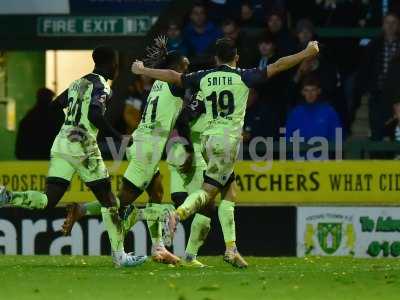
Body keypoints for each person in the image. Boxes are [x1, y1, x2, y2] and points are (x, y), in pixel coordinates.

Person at [131, 37, 320, 268]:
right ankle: (177, 215)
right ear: (236, 57)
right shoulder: (244, 75)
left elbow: (174, 77)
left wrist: (143, 70)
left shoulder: (204, 76)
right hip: (227, 142)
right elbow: (278, 64)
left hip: (209, 140)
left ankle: (231, 249)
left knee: (230, 191)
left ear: (215, 58)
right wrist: (306, 53)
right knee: (209, 191)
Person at [0, 46, 146, 267]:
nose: (117, 69)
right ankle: (120, 256)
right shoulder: (102, 86)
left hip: (62, 143)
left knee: (49, 199)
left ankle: (9, 197)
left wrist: (70, 126)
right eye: (116, 65)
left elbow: (54, 105)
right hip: (83, 147)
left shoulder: (78, 83)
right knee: (109, 202)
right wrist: (118, 137)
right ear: (113, 66)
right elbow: (95, 113)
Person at [61, 37, 191, 265]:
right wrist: (145, 69)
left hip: (142, 142)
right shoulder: (173, 82)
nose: (187, 71)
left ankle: (159, 247)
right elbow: (175, 82)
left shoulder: (158, 85)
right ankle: (92, 223)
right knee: (118, 204)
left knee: (157, 192)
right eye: (185, 67)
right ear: (176, 69)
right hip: (147, 150)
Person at [357, 12, 400, 140]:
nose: (390, 26)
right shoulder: (374, 46)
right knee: (377, 132)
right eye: (388, 22)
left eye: (394, 23)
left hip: (397, 96)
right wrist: (368, 90)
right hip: (378, 95)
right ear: (383, 25)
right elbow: (365, 70)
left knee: (394, 134)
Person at [286, 77, 342, 143]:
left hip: (323, 152)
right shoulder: (295, 113)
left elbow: (337, 139)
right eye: (306, 90)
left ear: (319, 91)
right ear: (302, 92)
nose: (310, 94)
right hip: (299, 153)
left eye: (313, 90)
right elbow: (288, 140)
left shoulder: (329, 112)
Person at [15, 88, 64, 160]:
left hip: (32, 159)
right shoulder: (55, 116)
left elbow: (20, 147)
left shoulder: (30, 116)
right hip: (50, 158)